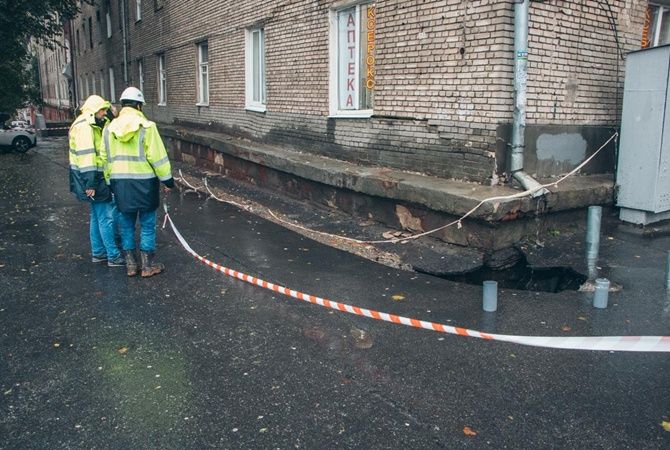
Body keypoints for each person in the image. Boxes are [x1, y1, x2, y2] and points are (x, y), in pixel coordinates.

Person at [102, 87, 174, 278]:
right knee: (148, 224)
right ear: (139, 105)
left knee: (125, 223)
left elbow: (105, 158)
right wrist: (167, 180)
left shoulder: (109, 129)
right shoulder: (147, 127)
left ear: (122, 105)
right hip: (145, 184)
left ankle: (131, 265)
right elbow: (158, 157)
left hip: (120, 184)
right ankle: (148, 265)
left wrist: (109, 181)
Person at [68, 95, 125, 267]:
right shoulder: (85, 127)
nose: (103, 113)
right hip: (93, 179)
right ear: (93, 110)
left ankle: (98, 253)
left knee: (97, 216)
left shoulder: (86, 124)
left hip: (91, 178)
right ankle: (113, 256)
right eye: (101, 110)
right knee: (106, 217)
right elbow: (87, 158)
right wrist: (91, 183)